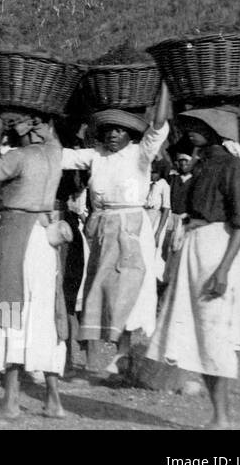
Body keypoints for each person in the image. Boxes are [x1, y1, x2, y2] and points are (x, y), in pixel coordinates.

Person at [145, 108, 240, 429]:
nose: (191, 131)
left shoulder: (230, 166)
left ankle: (223, 418)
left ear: (215, 129)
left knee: (214, 330)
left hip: (218, 248)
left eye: (198, 127)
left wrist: (223, 270)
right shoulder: (202, 165)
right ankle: (217, 415)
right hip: (195, 247)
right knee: (199, 329)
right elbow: (181, 207)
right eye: (190, 126)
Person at [60, 88, 171, 378]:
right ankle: (102, 358)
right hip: (100, 229)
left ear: (130, 135)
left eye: (120, 130)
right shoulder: (95, 156)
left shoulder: (140, 154)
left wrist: (164, 87)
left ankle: (122, 355)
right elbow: (61, 157)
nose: (113, 135)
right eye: (109, 129)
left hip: (131, 229)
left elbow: (158, 127)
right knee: (101, 290)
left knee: (129, 288)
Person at [0, 108, 68, 420]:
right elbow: (52, 135)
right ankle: (53, 401)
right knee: (44, 312)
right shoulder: (54, 152)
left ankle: (10, 402)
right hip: (44, 238)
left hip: (17, 234)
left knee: (9, 310)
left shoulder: (19, 158)